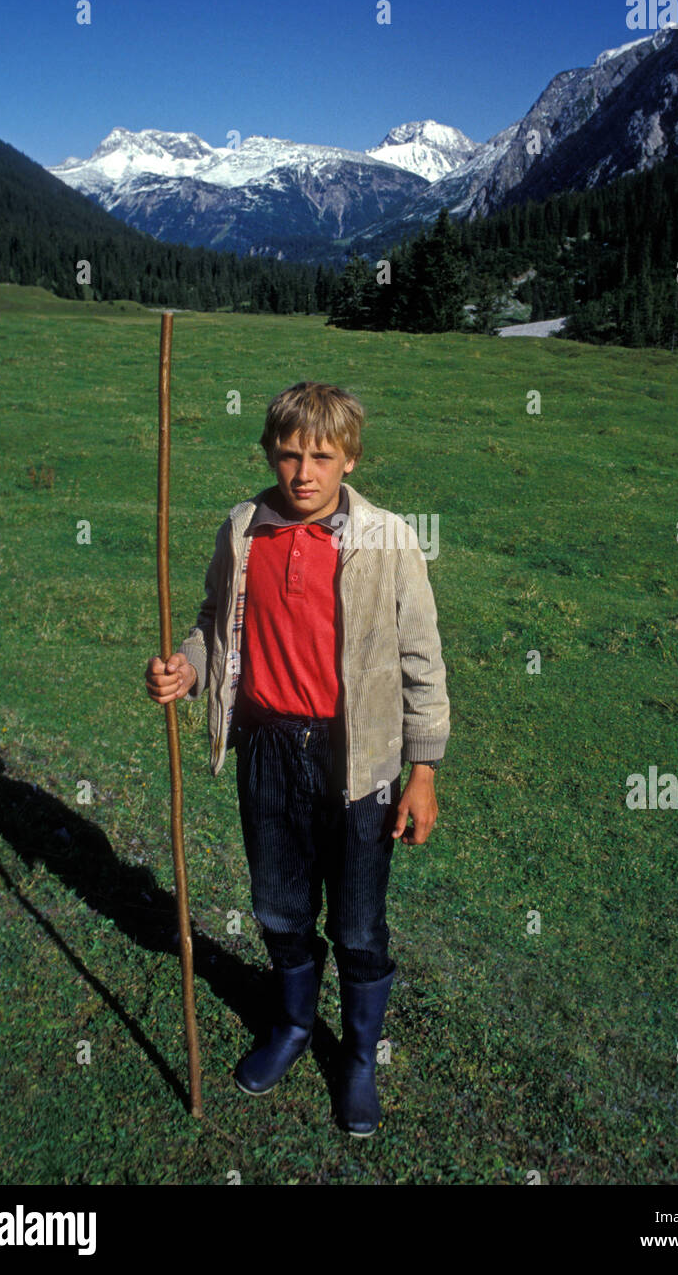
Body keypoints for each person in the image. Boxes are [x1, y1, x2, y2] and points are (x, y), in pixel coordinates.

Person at [145, 381, 449, 1136]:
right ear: (269, 455)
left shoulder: (387, 539)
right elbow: (216, 623)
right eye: (288, 455)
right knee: (278, 905)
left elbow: (421, 658)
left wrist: (423, 771)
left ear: (350, 458)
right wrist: (187, 667)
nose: (303, 472)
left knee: (356, 925)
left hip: (361, 757)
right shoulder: (244, 528)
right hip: (269, 748)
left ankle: (358, 1058)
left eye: (321, 456)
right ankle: (291, 1025)